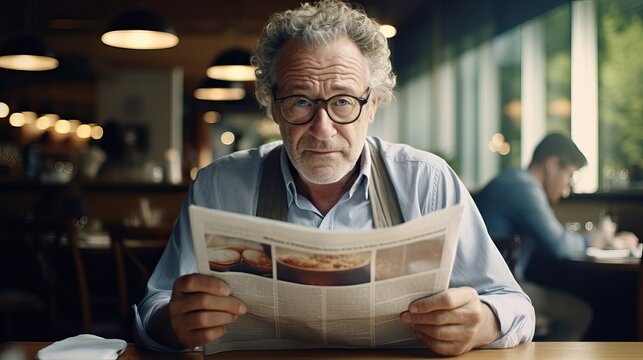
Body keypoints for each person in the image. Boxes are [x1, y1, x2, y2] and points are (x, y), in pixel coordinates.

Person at [134, 0, 534, 355]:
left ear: (372, 104)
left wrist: (483, 321)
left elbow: (515, 305)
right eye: (300, 102)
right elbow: (155, 306)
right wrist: (172, 324)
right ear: (273, 107)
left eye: (343, 101)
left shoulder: (427, 182)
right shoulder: (219, 186)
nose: (322, 129)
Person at [475, 133, 638, 340]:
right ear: (552, 164)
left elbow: (556, 237)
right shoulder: (522, 187)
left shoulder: (515, 181)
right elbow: (559, 244)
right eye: (569, 175)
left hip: (491, 286)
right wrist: (602, 238)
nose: (567, 190)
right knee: (578, 314)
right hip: (495, 291)